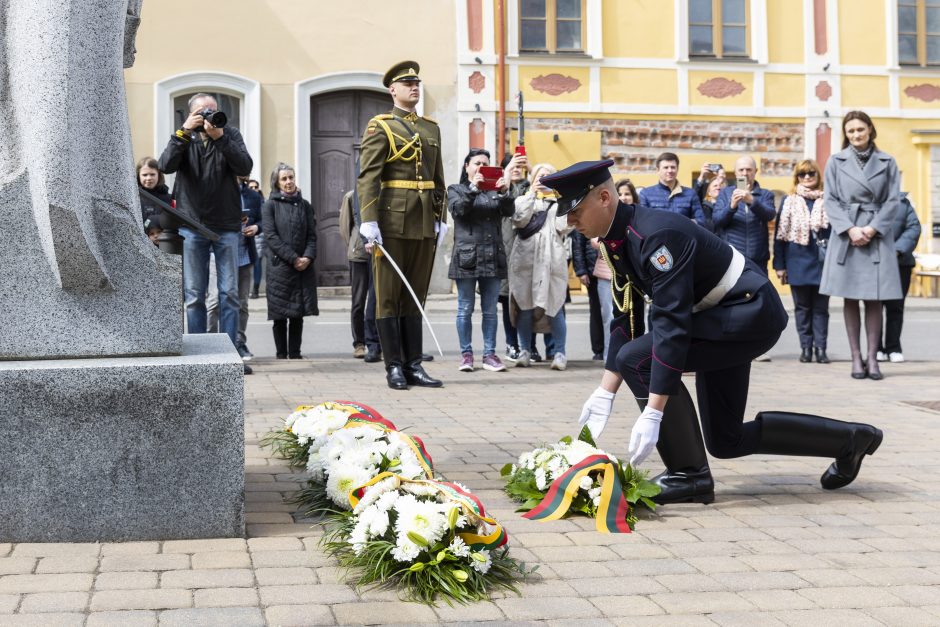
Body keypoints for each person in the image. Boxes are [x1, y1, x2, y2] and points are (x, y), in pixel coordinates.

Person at [547, 159, 883, 505]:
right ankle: (852, 440)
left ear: (604, 197)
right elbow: (626, 315)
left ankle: (689, 475)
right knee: (726, 440)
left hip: (747, 315)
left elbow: (670, 327)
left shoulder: (657, 235)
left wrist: (655, 412)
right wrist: (606, 392)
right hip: (720, 316)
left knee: (638, 358)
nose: (570, 221)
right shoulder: (616, 238)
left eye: (575, 211)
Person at [357, 61, 446, 390]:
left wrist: (441, 219)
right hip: (392, 221)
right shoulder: (380, 126)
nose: (414, 87)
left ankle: (414, 364)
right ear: (392, 90)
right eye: (407, 83)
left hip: (423, 221)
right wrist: (368, 221)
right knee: (389, 297)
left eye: (417, 83)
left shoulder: (431, 128)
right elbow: (368, 176)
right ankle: (393, 366)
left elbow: (438, 179)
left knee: (415, 295)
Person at [158, 93, 253, 374]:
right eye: (203, 111)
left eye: (213, 110)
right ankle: (198, 355)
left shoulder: (230, 134)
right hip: (192, 225)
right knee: (194, 294)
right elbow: (165, 166)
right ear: (191, 114)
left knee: (230, 294)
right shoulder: (184, 138)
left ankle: (232, 353)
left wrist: (221, 137)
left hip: (226, 225)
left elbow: (245, 167)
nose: (209, 115)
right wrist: (184, 131)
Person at [820, 111, 903, 381]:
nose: (856, 135)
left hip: (875, 234)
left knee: (875, 298)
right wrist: (850, 229)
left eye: (860, 129)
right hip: (847, 234)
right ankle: (856, 358)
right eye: (851, 130)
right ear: (846, 134)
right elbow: (830, 200)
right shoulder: (835, 161)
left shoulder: (887, 161)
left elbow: (893, 201)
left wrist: (871, 228)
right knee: (850, 297)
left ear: (870, 130)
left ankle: (872, 359)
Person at [447, 149, 515, 372]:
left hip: (492, 256)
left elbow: (509, 211)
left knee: (490, 310)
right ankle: (466, 355)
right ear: (467, 166)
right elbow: (459, 211)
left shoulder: (495, 191)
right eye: (477, 163)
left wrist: (505, 192)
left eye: (486, 164)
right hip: (467, 257)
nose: (481, 167)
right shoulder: (456, 190)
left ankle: (489, 355)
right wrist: (474, 189)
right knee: (465, 308)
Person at [713, 156, 777, 362]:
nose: (744, 174)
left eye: (748, 170)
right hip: (733, 259)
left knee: (758, 304)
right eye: (740, 170)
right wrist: (732, 206)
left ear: (755, 172)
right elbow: (717, 221)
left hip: (758, 259)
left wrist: (752, 201)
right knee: (732, 303)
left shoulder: (764, 194)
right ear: (735, 173)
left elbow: (769, 215)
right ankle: (732, 345)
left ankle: (757, 348)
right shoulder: (725, 193)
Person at [509, 163, 572, 370]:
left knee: (555, 305)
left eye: (548, 176)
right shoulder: (523, 200)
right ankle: (525, 350)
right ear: (533, 178)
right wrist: (531, 194)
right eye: (540, 176)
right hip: (525, 259)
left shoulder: (559, 203)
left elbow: (564, 227)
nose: (543, 179)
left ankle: (560, 353)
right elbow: (519, 220)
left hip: (551, 259)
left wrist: (560, 199)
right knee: (525, 306)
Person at [773, 159, 831, 364]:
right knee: (802, 308)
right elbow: (780, 236)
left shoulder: (827, 200)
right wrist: (779, 266)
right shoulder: (789, 201)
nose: (807, 177)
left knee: (821, 309)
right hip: (797, 261)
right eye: (802, 174)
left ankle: (821, 349)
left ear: (818, 176)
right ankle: (806, 348)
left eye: (811, 174)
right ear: (796, 177)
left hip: (822, 262)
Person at [262, 163, 318, 359]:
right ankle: (281, 354)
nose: (289, 182)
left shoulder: (305, 206)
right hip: (280, 267)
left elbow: (312, 235)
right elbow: (270, 236)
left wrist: (308, 257)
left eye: (291, 177)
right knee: (279, 315)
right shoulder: (270, 206)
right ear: (277, 183)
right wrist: (293, 258)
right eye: (284, 179)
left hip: (303, 267)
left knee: (297, 313)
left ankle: (295, 353)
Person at [878, 193, 922, 363]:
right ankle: (876, 348)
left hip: (900, 263)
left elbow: (914, 228)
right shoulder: (868, 199)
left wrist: (897, 250)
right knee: (874, 307)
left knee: (896, 307)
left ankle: (893, 347)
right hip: (874, 264)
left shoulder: (903, 203)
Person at [498, 152, 530, 361]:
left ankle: (529, 346)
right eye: (511, 165)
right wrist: (507, 176)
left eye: (519, 165)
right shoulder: (500, 188)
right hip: (504, 252)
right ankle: (511, 344)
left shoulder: (530, 188)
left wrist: (532, 166)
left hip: (527, 251)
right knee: (506, 301)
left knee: (527, 303)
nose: (516, 168)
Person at [340, 189, 371, 359]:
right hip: (359, 255)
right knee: (358, 301)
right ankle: (359, 343)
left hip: (379, 255)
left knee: (377, 302)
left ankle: (376, 341)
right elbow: (345, 227)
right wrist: (354, 245)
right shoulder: (351, 196)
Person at [637, 152, 706, 227]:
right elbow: (642, 221)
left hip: (683, 237)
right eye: (666, 167)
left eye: (673, 167)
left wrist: (683, 223)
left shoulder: (690, 194)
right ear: (658, 170)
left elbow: (701, 221)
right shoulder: (646, 194)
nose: (670, 171)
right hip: (658, 237)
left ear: (677, 169)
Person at [572, 230, 604, 360]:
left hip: (612, 269)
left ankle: (611, 346)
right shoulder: (585, 214)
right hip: (593, 270)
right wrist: (581, 271)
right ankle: (599, 349)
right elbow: (577, 244)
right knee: (596, 311)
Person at [136, 157, 171, 232]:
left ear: (159, 175)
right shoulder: (134, 197)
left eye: (152, 174)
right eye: (144, 175)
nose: (148, 178)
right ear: (138, 176)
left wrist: (154, 219)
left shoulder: (168, 197)